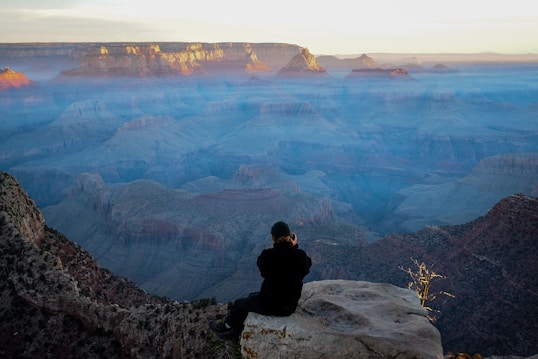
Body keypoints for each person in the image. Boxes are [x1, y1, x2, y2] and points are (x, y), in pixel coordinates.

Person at [209, 221, 312, 342]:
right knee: (251, 296)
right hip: (289, 305)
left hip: (270, 304)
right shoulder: (300, 256)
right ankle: (237, 332)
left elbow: (262, 268)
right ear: (290, 237)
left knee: (238, 304)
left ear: (273, 237)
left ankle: (227, 327)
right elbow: (307, 266)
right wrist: (294, 247)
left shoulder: (267, 256)